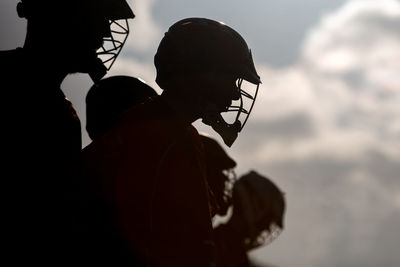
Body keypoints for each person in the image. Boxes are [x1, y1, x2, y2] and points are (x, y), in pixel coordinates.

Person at [82, 17, 261, 266]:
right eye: (230, 79)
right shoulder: (167, 139)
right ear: (201, 73)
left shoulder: (150, 126)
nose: (233, 94)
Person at [0, 0, 134, 265]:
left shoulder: (62, 111)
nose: (106, 35)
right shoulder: (49, 108)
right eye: (99, 20)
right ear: (65, 19)